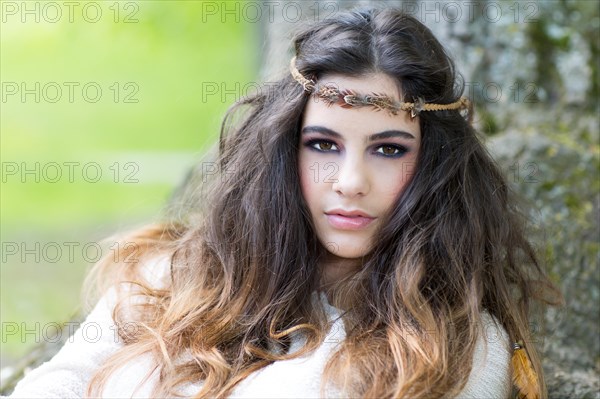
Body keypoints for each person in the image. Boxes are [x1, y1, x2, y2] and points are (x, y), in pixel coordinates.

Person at [6, 7, 561, 398]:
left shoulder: (456, 347)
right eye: (323, 144)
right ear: (281, 150)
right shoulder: (173, 273)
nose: (349, 181)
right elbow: (56, 384)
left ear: (435, 167)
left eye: (388, 150)